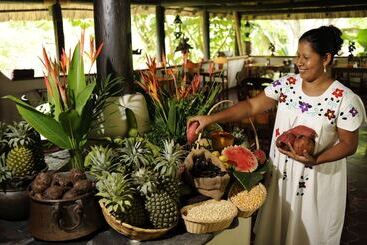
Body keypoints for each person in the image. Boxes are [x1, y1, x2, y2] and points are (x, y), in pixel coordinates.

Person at [187, 25, 366, 245]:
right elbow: (252, 105)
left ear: (326, 58)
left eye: (306, 57)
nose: (298, 62)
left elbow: (349, 144)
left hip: (317, 184)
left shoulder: (345, 99)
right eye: (297, 55)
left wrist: (316, 159)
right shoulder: (287, 85)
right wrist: (209, 118)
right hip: (281, 178)